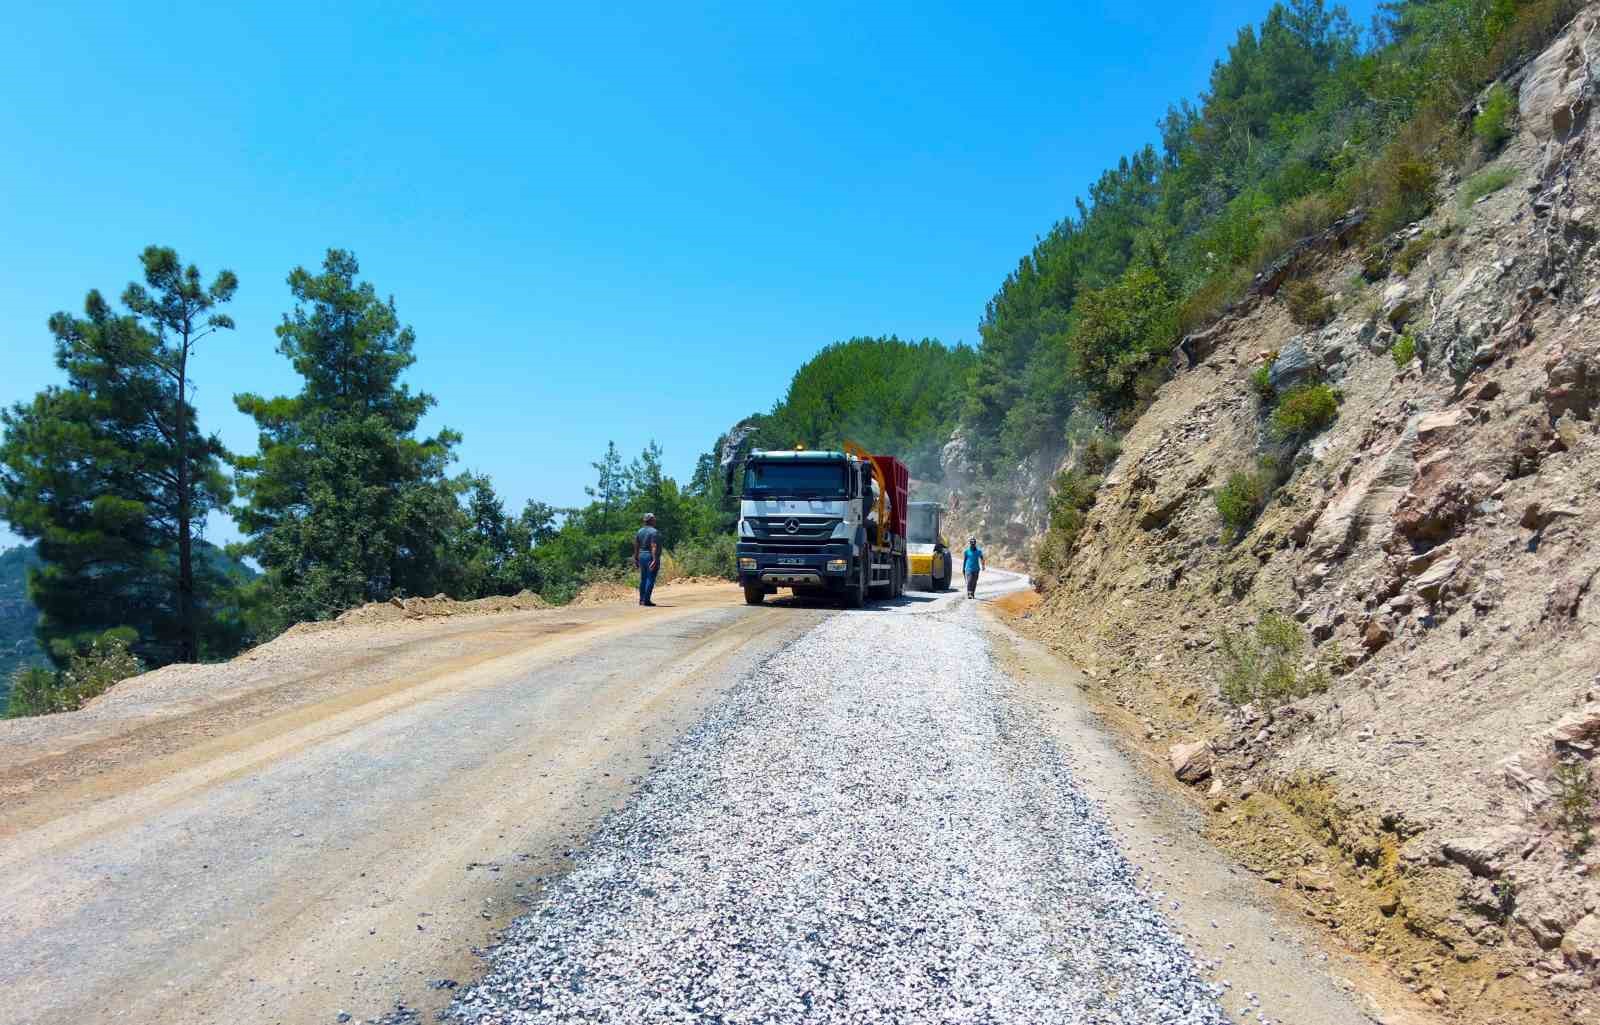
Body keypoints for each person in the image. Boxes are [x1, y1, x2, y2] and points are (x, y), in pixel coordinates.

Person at [634, 513, 661, 607]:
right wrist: (654, 559)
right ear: (651, 520)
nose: (655, 520)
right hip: (650, 556)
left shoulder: (639, 531)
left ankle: (641, 600)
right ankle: (646, 600)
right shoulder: (654, 532)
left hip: (641, 556)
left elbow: (636, 545)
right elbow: (654, 546)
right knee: (650, 578)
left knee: (643, 578)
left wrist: (636, 558)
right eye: (654, 519)